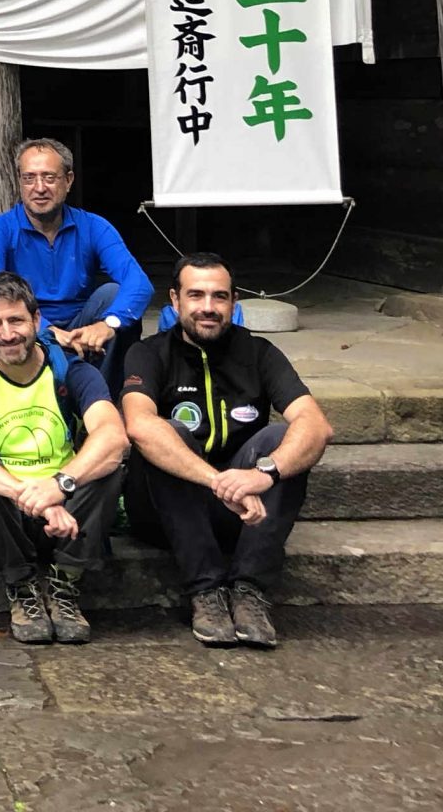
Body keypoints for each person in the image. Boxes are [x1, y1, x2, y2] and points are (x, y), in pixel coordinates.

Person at [121, 253, 332, 649]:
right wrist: (217, 481)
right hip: (164, 509)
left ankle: (249, 591)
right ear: (175, 300)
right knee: (166, 432)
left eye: (219, 297)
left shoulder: (259, 353)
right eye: (195, 295)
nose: (207, 308)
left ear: (234, 303)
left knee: (279, 440)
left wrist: (263, 474)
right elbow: (139, 425)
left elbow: (316, 425)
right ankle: (206, 591)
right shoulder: (148, 354)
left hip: (241, 502)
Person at [0, 270, 127, 646]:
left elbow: (113, 435)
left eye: (16, 320)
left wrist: (60, 486)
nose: (7, 333)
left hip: (67, 513)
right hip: (1, 515)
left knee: (107, 467)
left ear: (37, 321)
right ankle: (21, 586)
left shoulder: (71, 368)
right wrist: (29, 495)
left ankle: (65, 585)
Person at [0, 138, 153, 391]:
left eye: (49, 177)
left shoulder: (93, 225)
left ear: (68, 180)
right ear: (19, 182)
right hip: (28, 326)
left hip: (83, 327)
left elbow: (139, 283)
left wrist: (106, 324)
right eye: (29, 178)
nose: (39, 188)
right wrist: (46, 330)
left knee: (113, 296)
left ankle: (105, 399)